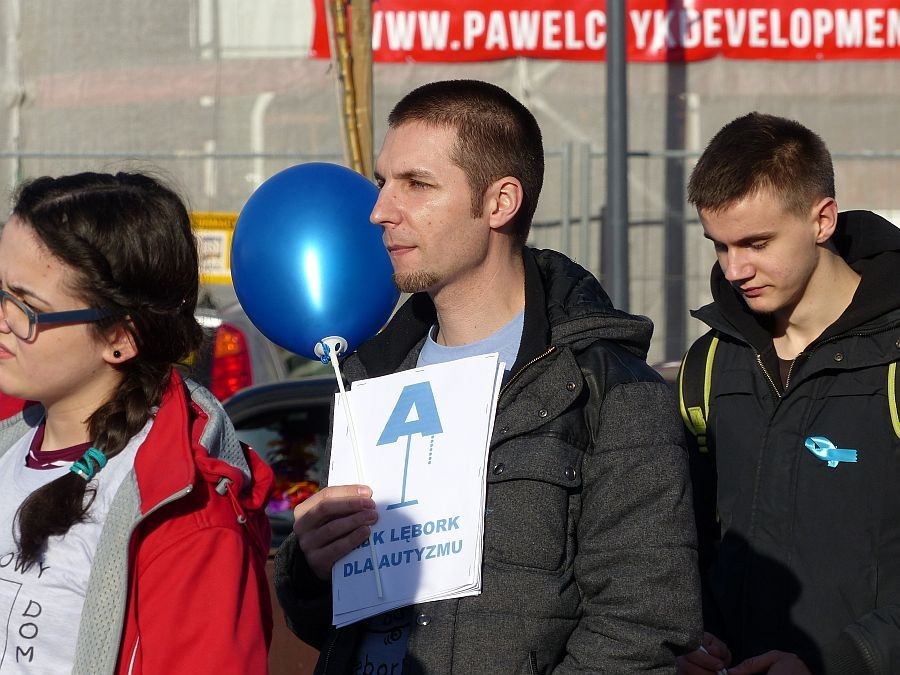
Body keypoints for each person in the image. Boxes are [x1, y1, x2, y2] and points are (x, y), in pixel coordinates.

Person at [274, 79, 702, 673]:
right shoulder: (371, 380)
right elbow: (333, 623)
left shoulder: (607, 391)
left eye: (416, 184)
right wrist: (311, 568)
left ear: (500, 202)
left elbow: (642, 626)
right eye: (382, 182)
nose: (379, 211)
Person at [0, 172, 274, 673]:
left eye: (25, 307)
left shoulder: (188, 520)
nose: (2, 317)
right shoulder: (10, 443)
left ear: (119, 340)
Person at [677, 113, 900, 675]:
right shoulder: (708, 365)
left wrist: (841, 662)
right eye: (720, 246)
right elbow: (685, 544)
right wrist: (689, 636)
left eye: (756, 243)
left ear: (822, 220)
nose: (735, 270)